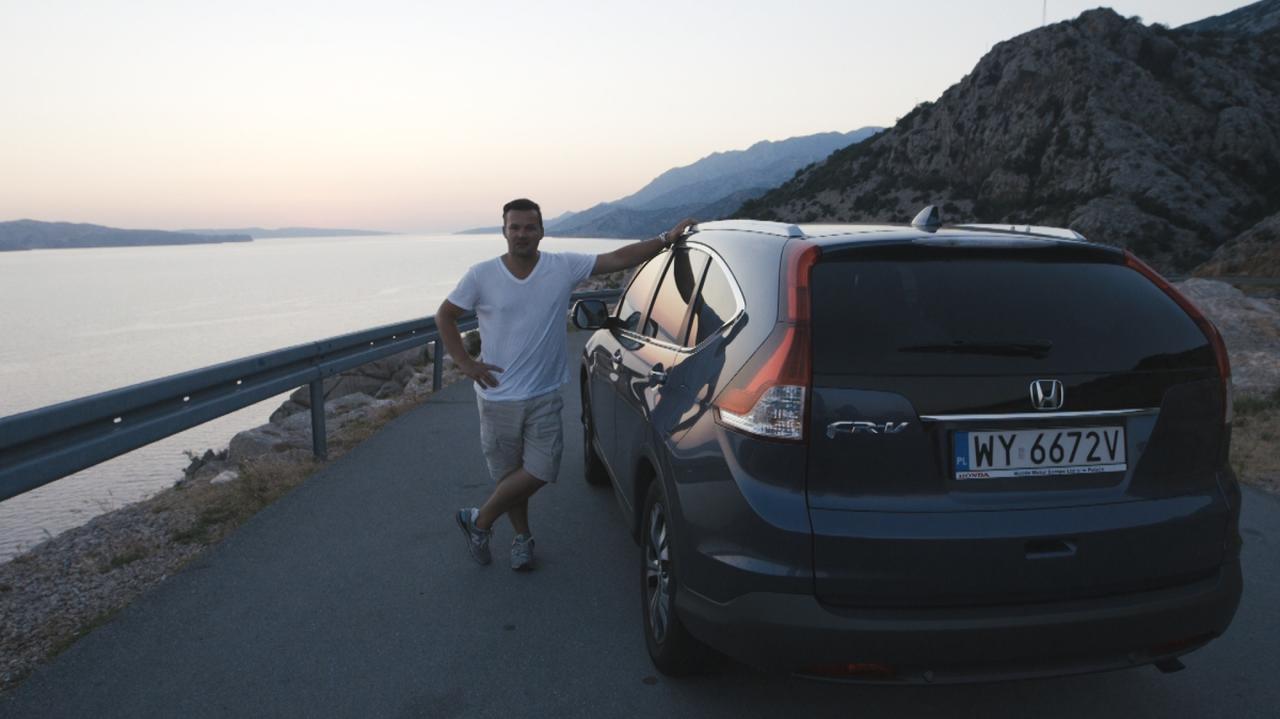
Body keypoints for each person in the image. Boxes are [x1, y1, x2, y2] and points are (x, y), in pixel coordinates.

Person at [436, 198, 695, 570]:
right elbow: (445, 315)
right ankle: (522, 539)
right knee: (510, 477)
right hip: (497, 397)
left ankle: (479, 521)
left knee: (542, 469)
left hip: (543, 394)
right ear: (504, 231)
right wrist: (465, 363)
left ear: (541, 231)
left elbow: (618, 258)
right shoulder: (481, 275)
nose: (522, 234)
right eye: (515, 227)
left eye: (529, 227)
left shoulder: (561, 266)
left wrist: (666, 239)